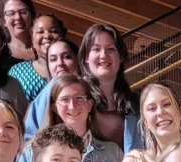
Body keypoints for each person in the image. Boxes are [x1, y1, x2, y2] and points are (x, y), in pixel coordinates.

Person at [24, 24, 141, 152]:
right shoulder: (63, 90)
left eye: (110, 49)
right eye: (96, 49)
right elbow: (31, 142)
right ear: (86, 57)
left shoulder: (137, 105)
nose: (103, 55)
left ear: (121, 56)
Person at [7, 13, 64, 101]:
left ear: (63, 36)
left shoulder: (73, 69)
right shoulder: (17, 72)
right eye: (40, 32)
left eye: (53, 31)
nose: (47, 36)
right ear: (32, 39)